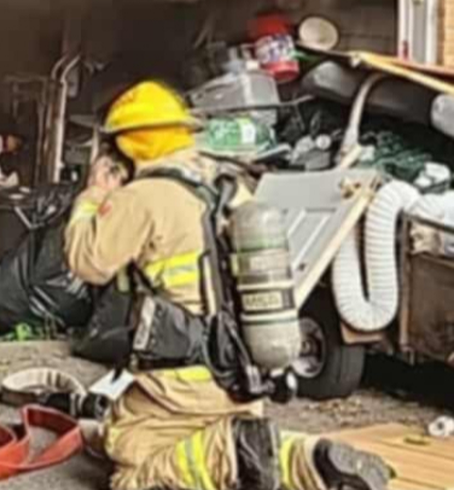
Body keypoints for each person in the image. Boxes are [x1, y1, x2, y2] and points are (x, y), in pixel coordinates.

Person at [65, 81, 391, 490]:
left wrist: (93, 197)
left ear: (127, 148)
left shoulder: (145, 197)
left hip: (182, 384)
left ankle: (237, 450)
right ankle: (307, 459)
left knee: (130, 472)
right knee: (127, 432)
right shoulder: (227, 188)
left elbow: (88, 261)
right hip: (241, 375)